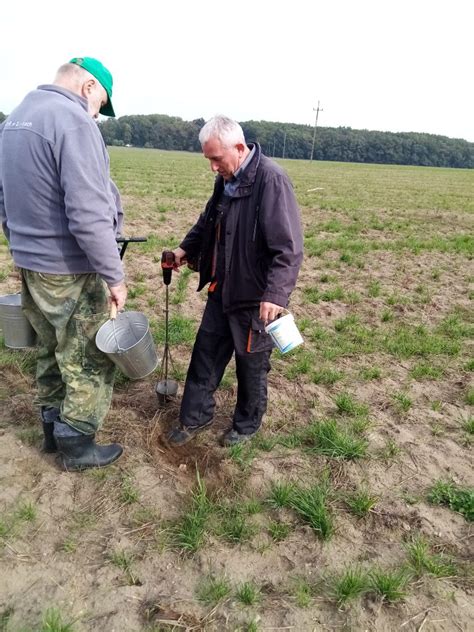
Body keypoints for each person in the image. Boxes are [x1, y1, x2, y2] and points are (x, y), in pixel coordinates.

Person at [0, 57, 127, 470]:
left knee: (51, 349)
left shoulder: (17, 117)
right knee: (91, 355)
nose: (97, 115)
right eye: (100, 104)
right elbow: (88, 211)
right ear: (88, 87)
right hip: (69, 267)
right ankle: (77, 443)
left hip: (32, 264)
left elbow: (3, 199)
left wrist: (22, 244)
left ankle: (52, 430)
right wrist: (114, 275)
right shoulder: (72, 121)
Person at [167, 115, 303, 447]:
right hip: (221, 288)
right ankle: (195, 417)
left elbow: (288, 248)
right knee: (205, 356)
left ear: (239, 148)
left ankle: (246, 425)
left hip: (255, 298)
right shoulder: (225, 180)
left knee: (251, 367)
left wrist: (275, 294)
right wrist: (186, 249)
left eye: (216, 158)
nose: (213, 167)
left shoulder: (270, 180)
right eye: (208, 159)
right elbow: (208, 220)